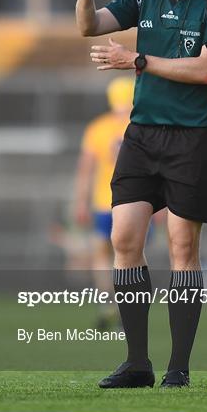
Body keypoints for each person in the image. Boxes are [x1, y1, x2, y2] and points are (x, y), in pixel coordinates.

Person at [73, 0, 207, 389]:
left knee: (183, 249)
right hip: (142, 136)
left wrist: (137, 60)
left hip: (193, 139)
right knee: (125, 240)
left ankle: (179, 368)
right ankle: (137, 362)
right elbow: (90, 26)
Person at [73, 77, 134, 330]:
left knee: (102, 256)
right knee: (130, 256)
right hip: (133, 203)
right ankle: (127, 305)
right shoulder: (140, 124)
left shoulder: (97, 128)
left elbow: (85, 170)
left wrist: (80, 202)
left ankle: (108, 303)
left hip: (102, 202)